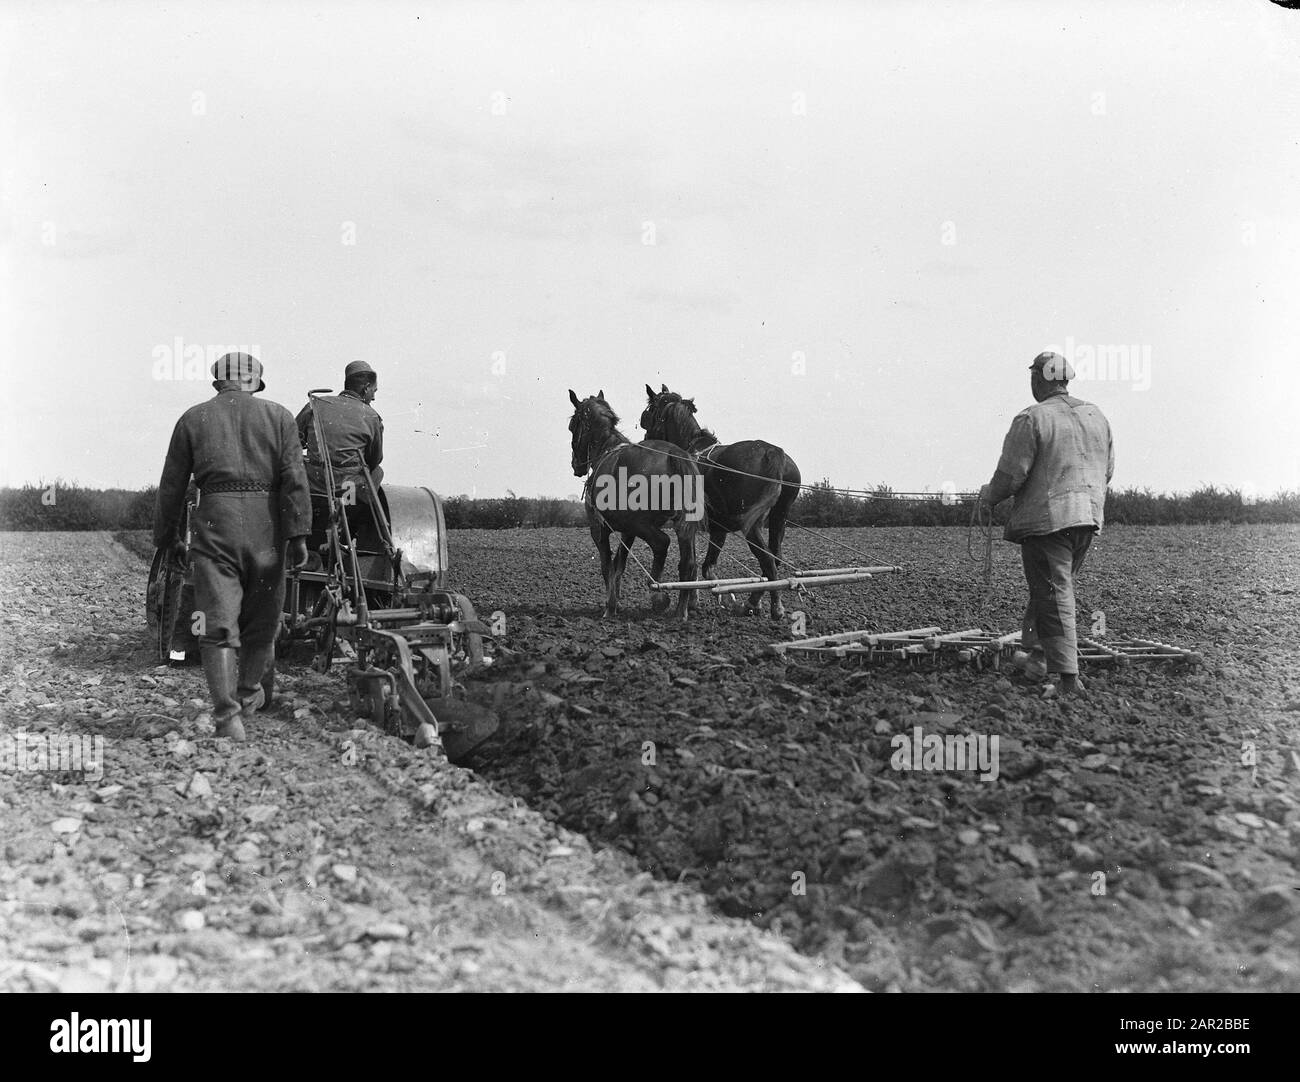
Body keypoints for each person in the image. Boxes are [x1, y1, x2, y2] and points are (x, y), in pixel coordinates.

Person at [154, 353, 311, 739]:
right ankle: (247, 694)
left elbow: (172, 487)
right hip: (268, 529)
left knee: (217, 625)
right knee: (262, 624)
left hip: (215, 524)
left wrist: (168, 537)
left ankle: (227, 719)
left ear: (217, 383)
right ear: (255, 382)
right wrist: (299, 534)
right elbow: (294, 479)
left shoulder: (193, 418)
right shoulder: (280, 417)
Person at [980, 351, 1114, 697]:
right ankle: (1038, 656)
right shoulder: (1096, 415)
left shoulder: (1032, 418)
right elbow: (1108, 470)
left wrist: (988, 497)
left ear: (1039, 379)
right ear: (1066, 380)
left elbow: (1011, 475)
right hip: (1087, 518)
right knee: (1052, 589)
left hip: (1048, 522)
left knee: (1053, 596)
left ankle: (1068, 680)